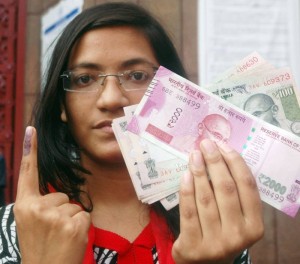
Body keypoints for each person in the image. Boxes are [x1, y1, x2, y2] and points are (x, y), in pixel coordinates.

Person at [0, 2, 264, 263]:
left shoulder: (214, 223)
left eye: (137, 75)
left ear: (174, 92)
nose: (112, 99)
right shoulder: (17, 229)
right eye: (84, 79)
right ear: (62, 106)